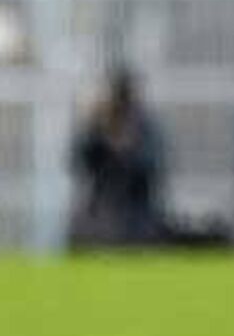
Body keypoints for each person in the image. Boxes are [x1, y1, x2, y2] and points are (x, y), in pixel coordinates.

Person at [70, 67, 166, 246]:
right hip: (101, 208)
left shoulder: (145, 125)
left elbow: (152, 165)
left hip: (137, 210)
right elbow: (80, 161)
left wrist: (127, 149)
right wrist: (99, 133)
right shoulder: (98, 125)